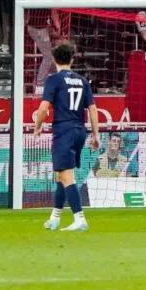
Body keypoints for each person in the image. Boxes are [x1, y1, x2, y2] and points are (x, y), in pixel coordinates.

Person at [33, 41, 101, 232]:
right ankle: (54, 218)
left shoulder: (54, 80)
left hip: (64, 130)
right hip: (80, 130)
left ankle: (79, 218)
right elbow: (93, 109)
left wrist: (37, 127)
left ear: (54, 59)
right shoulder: (82, 80)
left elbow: (43, 108)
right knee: (60, 176)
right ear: (72, 59)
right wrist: (96, 134)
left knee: (66, 175)